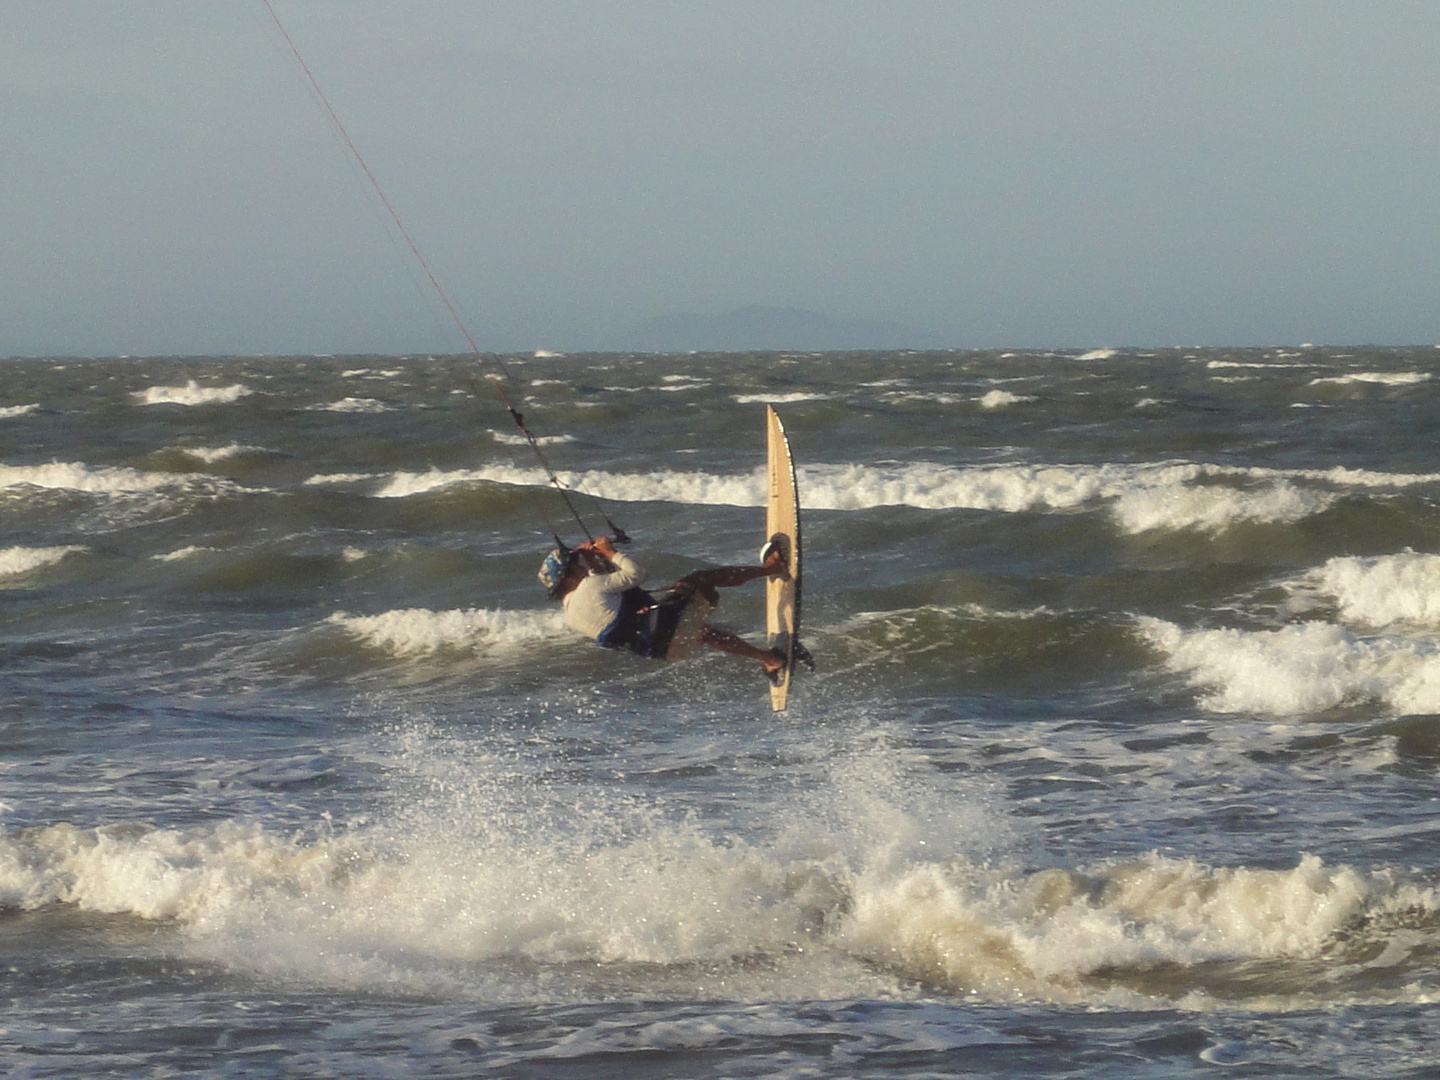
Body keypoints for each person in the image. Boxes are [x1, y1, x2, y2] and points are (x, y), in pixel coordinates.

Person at [538, 535, 791, 681]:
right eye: (577, 564)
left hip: (664, 650)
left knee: (702, 631)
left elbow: (607, 599)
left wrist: (595, 562)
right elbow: (636, 574)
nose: (581, 565)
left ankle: (769, 659)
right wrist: (610, 552)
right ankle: (773, 568)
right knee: (700, 580)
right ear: (568, 576)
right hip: (671, 622)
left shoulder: (571, 615)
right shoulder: (590, 586)